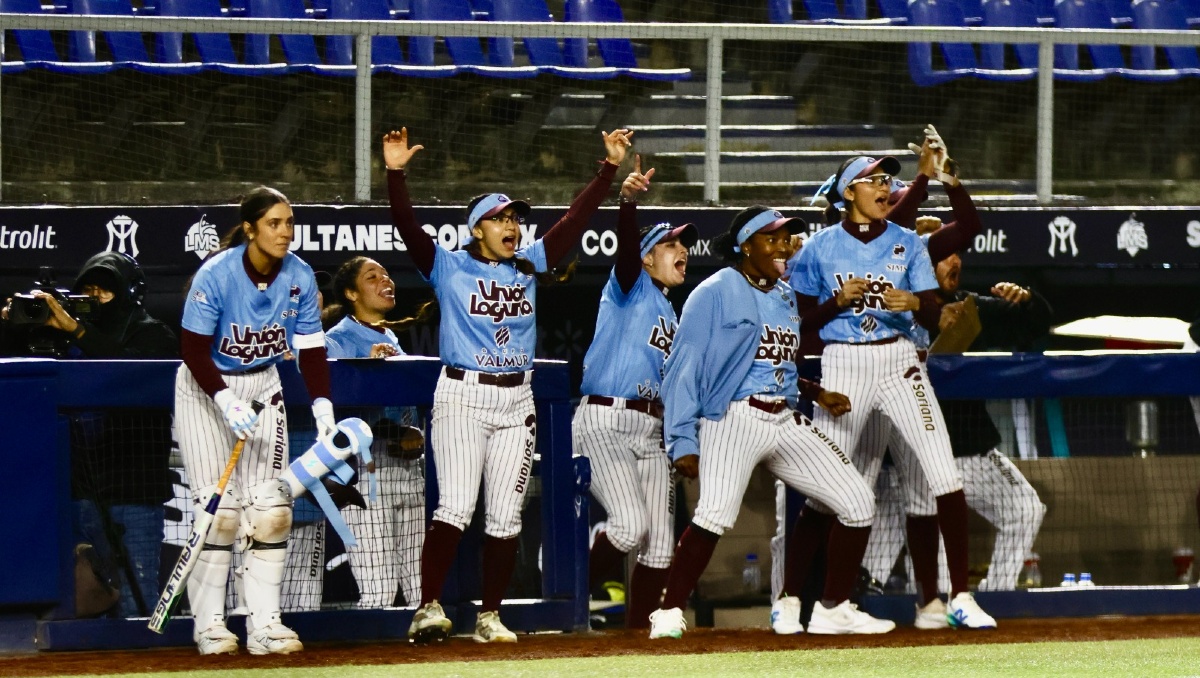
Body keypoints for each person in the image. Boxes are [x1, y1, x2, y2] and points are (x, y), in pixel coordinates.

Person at [382, 126, 630, 643]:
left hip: (518, 398)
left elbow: (573, 222)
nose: (511, 225)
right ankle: (428, 608)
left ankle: (489, 617)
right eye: (499, 218)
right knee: (455, 507)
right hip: (463, 395)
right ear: (477, 230)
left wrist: (608, 169)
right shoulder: (449, 265)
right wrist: (395, 175)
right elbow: (407, 228)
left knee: (505, 516)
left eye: (515, 218)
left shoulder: (528, 264)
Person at [648, 205, 895, 640]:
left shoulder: (783, 294)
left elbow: (776, 364)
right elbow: (683, 368)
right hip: (733, 417)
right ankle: (668, 612)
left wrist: (814, 392)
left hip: (784, 416)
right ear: (746, 246)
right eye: (772, 238)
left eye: (786, 238)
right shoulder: (714, 291)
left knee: (858, 501)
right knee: (714, 515)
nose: (783, 246)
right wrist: (682, 439)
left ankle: (834, 609)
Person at [790, 150, 996, 630]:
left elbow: (932, 315)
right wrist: (836, 303)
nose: (884, 187)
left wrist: (916, 305)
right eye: (873, 180)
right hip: (844, 363)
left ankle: (959, 596)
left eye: (887, 180)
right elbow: (800, 325)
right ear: (849, 192)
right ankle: (799, 600)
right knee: (825, 491)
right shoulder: (818, 248)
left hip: (901, 361)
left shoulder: (908, 242)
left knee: (943, 474)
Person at [176, 186, 337, 655]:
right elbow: (192, 350)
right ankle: (210, 626)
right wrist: (226, 400)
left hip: (264, 384)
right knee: (220, 512)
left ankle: (264, 625)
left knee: (272, 509)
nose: (285, 232)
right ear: (249, 229)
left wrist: (322, 405)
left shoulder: (299, 275)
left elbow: (311, 348)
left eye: (289, 223)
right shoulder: (217, 274)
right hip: (206, 388)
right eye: (274, 223)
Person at [863, 213, 1051, 600]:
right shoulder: (891, 311)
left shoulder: (969, 308)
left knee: (1024, 509)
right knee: (911, 573)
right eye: (944, 254)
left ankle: (998, 598)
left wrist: (1027, 299)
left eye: (958, 253)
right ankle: (859, 609)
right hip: (905, 457)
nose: (956, 262)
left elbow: (1036, 323)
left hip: (966, 450)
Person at [1, 252, 178, 618]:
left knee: (136, 606)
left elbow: (126, 374)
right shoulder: (58, 336)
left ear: (129, 294)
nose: (95, 298)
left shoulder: (153, 333)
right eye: (89, 290)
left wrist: (77, 330)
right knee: (75, 608)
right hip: (74, 496)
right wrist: (11, 325)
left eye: (105, 291)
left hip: (132, 495)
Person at [574, 156, 695, 630]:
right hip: (606, 419)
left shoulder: (671, 312)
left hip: (650, 428)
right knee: (628, 527)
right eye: (670, 244)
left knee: (661, 545)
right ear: (647, 258)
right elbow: (626, 253)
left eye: (683, 243)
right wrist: (627, 203)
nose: (681, 249)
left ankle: (637, 636)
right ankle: (570, 597)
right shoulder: (630, 286)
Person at [323, 255, 428, 609]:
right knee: (378, 592)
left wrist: (415, 437)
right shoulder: (337, 340)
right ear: (351, 293)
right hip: (364, 473)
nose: (386, 281)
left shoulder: (391, 336)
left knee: (420, 590)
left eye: (386, 275)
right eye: (372, 277)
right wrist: (363, 369)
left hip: (408, 470)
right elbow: (336, 415)